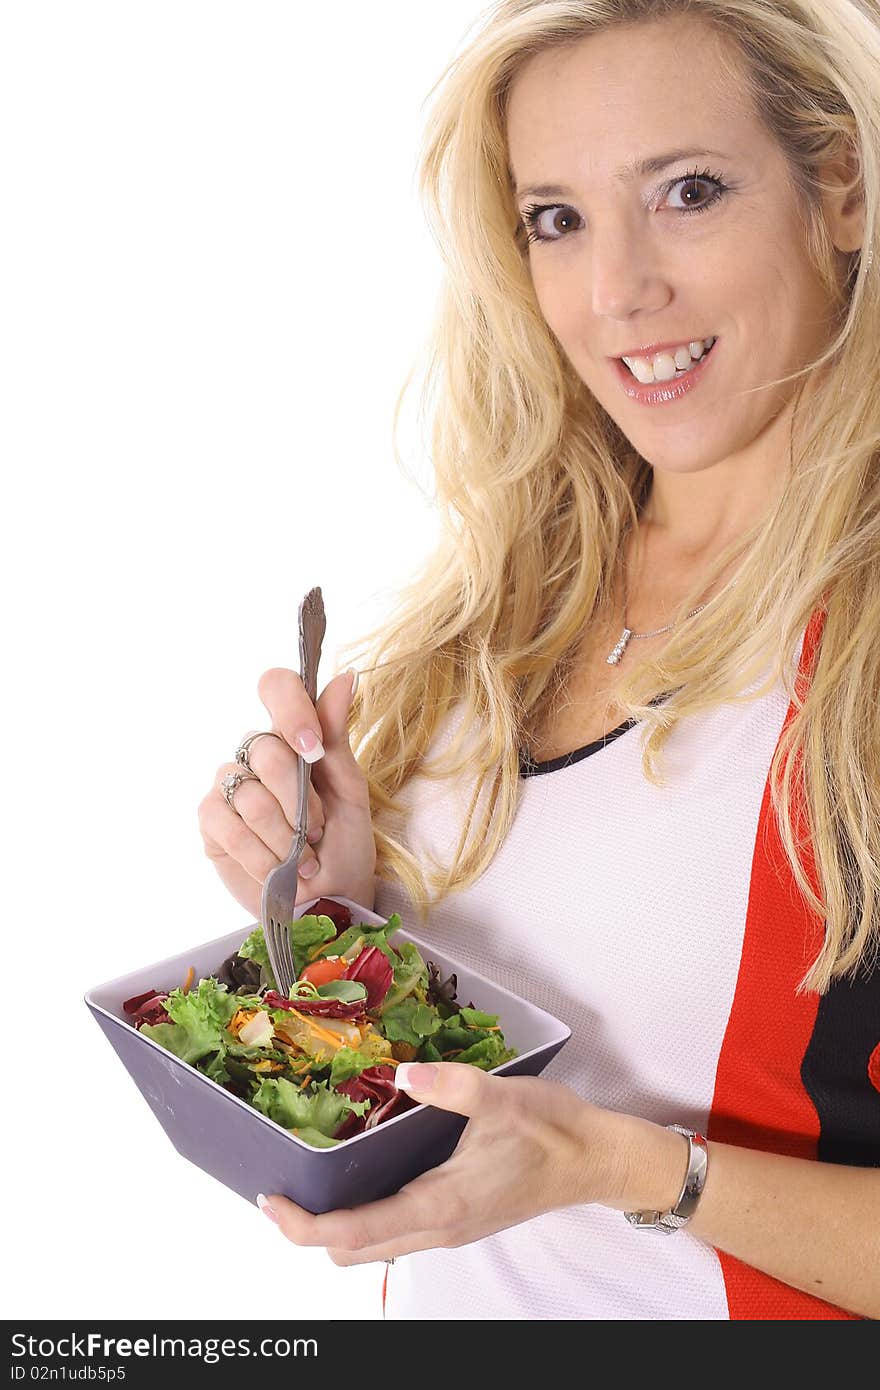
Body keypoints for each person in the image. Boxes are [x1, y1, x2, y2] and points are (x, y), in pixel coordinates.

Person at [197, 0, 880, 1320]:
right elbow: (472, 1125)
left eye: (687, 192)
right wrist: (346, 915)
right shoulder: (499, 622)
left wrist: (617, 1162)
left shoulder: (850, 666)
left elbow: (573, 1151)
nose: (616, 289)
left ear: (842, 187)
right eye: (556, 218)